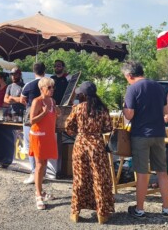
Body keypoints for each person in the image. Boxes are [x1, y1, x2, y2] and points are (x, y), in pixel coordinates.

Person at [122, 61, 168, 219]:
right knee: (162, 172)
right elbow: (166, 112)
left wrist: (124, 107)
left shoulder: (132, 88)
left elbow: (129, 115)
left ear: (130, 75)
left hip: (141, 135)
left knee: (142, 174)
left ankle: (140, 209)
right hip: (159, 134)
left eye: (126, 77)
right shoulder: (159, 87)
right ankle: (166, 208)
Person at [65, 81, 114, 224]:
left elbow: (68, 126)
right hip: (97, 146)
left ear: (83, 94)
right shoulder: (103, 109)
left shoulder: (77, 108)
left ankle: (75, 212)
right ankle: (102, 214)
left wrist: (79, 132)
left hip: (80, 144)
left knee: (80, 178)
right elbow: (108, 127)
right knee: (100, 178)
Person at [28, 77, 60, 210]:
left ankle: (40, 190)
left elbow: (52, 118)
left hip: (48, 136)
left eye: (53, 87)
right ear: (42, 89)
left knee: (44, 165)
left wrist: (56, 113)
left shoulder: (52, 101)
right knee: (40, 165)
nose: (52, 90)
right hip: (39, 136)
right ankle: (38, 194)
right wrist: (44, 113)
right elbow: (31, 120)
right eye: (49, 87)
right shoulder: (37, 101)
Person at [21, 62, 46, 184]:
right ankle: (42, 172)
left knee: (31, 146)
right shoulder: (49, 84)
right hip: (46, 116)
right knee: (43, 145)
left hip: (32, 116)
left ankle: (34, 172)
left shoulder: (29, 85)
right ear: (44, 71)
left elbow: (22, 99)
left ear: (33, 71)